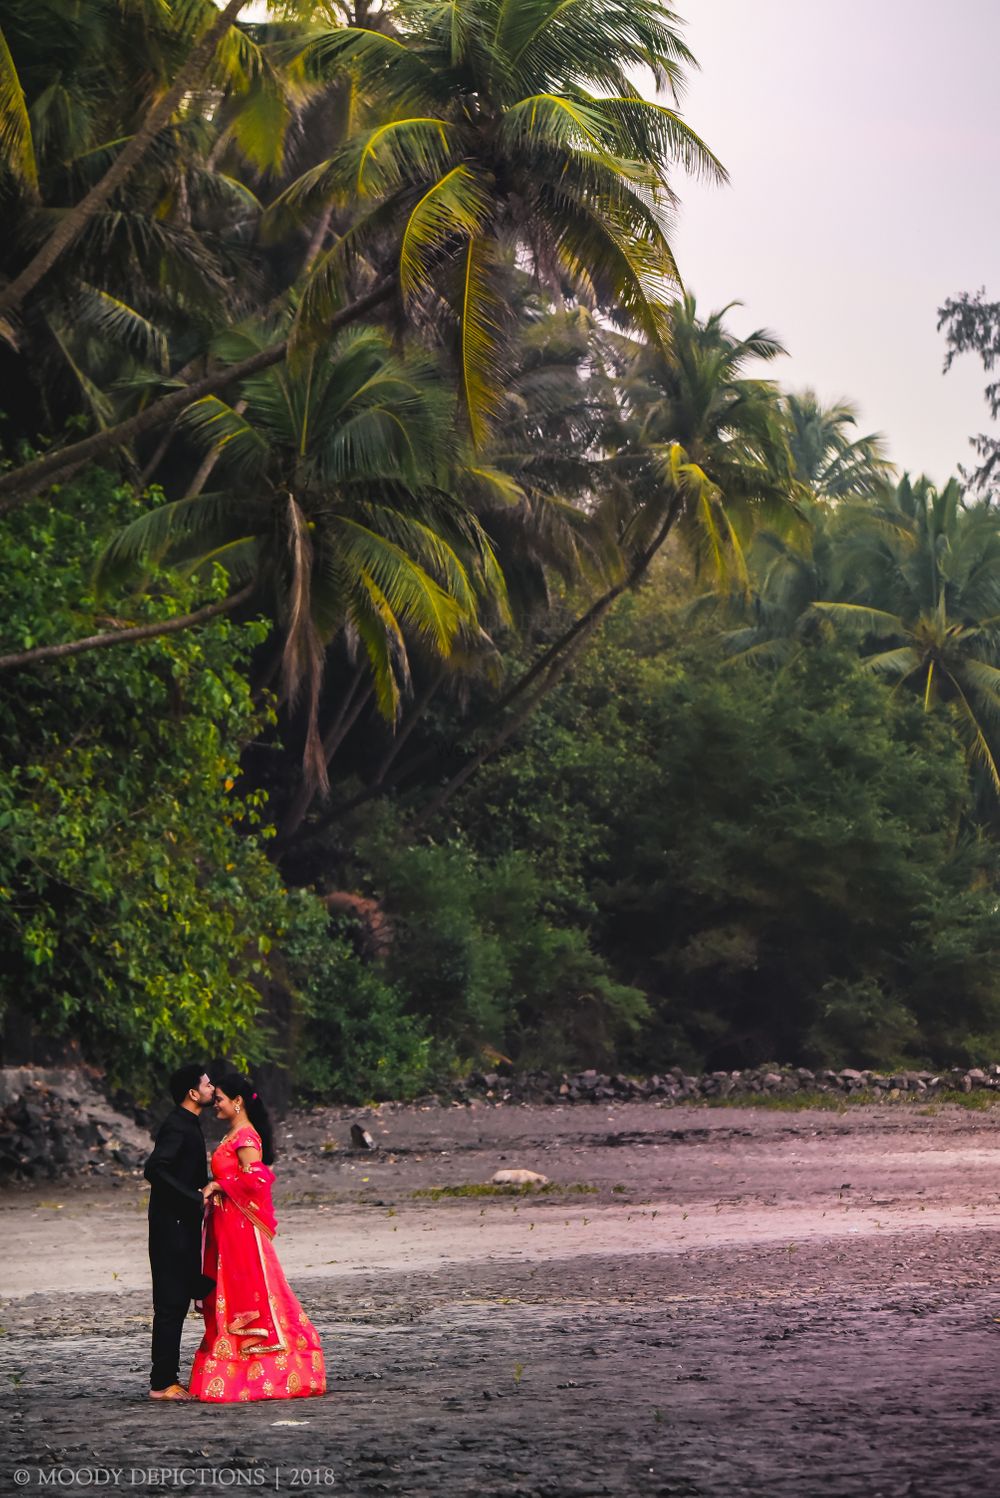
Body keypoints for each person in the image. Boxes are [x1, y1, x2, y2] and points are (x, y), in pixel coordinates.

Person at [188, 1070, 326, 1403]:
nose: (215, 1104)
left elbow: (257, 1181)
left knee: (250, 1292)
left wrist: (220, 1185)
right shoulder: (234, 1133)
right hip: (226, 1224)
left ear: (237, 1102)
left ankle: (265, 1372)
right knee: (226, 1291)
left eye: (219, 1099)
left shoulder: (246, 1137)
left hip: (240, 1227)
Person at [143, 1063, 215, 1401]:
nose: (211, 1088)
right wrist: (194, 1197)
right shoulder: (177, 1125)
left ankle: (167, 1378)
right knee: (170, 1305)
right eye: (207, 1084)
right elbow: (154, 1169)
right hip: (170, 1227)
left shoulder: (188, 1124)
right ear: (192, 1092)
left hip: (180, 1226)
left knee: (183, 1296)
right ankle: (162, 1383)